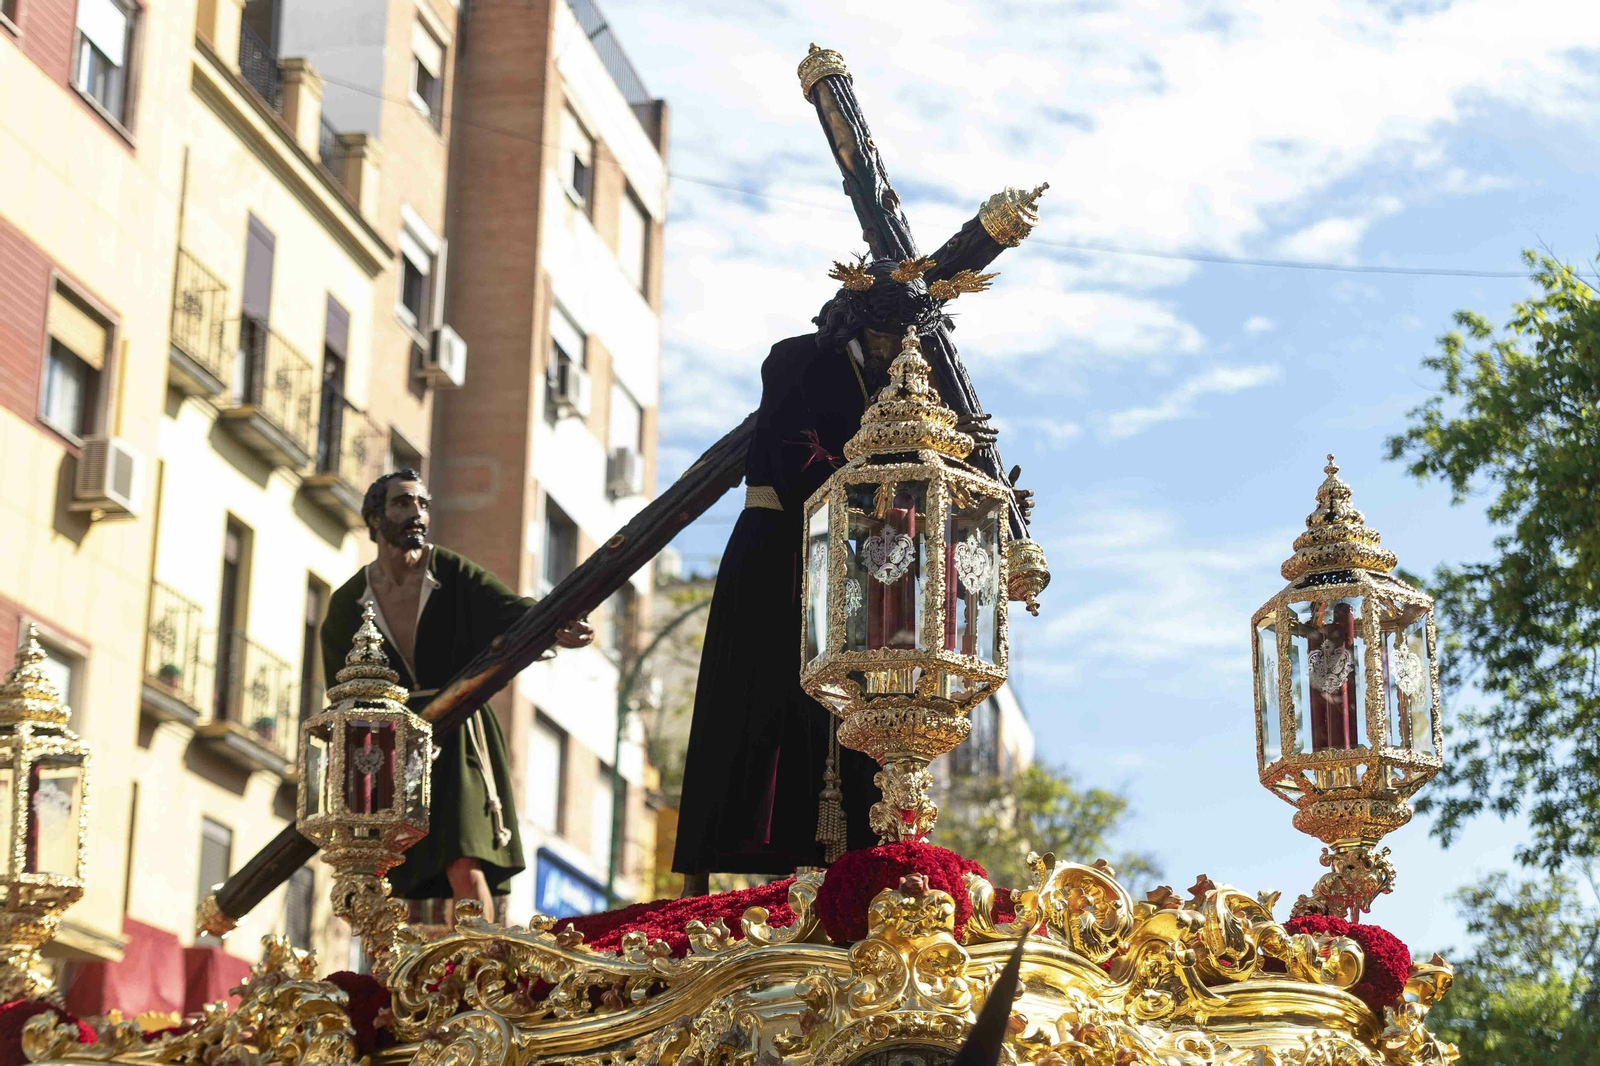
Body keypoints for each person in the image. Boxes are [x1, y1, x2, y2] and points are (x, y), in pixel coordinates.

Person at [672, 256, 1031, 895]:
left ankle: (858, 864)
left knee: (867, 708)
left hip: (871, 572)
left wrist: (972, 475)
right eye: (884, 330)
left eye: (906, 332)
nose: (896, 346)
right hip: (782, 549)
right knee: (752, 704)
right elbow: (798, 458)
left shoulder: (924, 382)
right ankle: (703, 872)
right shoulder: (797, 361)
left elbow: (927, 485)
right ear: (856, 319)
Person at [321, 470, 592, 922]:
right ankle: (397, 979)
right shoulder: (348, 602)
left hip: (459, 732)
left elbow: (512, 610)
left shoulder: (451, 571)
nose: (417, 514)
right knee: (393, 871)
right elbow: (338, 695)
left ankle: (483, 963)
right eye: (403, 503)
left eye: (423, 505)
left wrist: (560, 621)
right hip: (394, 748)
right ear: (374, 517)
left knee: (465, 857)